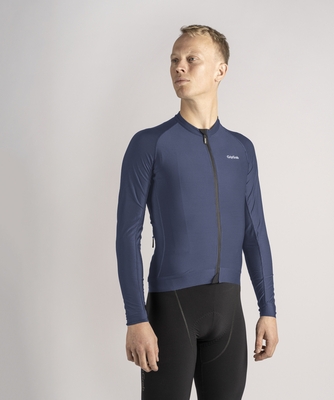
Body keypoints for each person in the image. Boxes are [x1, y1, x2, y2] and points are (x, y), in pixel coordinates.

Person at [116, 25, 278, 400]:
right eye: (175, 60)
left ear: (221, 70)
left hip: (228, 313)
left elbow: (255, 234)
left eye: (192, 59)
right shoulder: (150, 144)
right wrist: (136, 318)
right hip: (170, 311)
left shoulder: (242, 149)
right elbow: (127, 235)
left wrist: (267, 309)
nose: (179, 67)